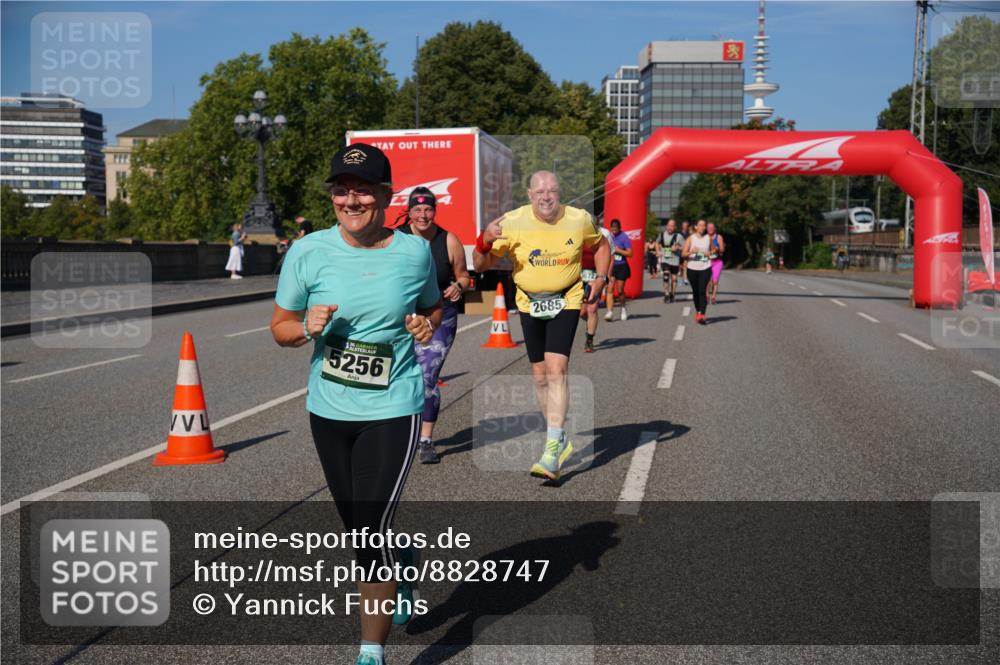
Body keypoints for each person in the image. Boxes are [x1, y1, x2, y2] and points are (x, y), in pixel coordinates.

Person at [270, 143, 442, 665]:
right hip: (329, 408)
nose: (351, 198)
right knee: (360, 530)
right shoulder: (308, 251)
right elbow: (279, 327)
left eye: (363, 189)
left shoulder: (413, 252)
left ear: (385, 196)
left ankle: (371, 651)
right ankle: (403, 564)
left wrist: (425, 324)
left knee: (369, 530)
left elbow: (432, 306)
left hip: (394, 405)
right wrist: (305, 329)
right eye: (342, 189)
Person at [473, 171, 611, 481]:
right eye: (539, 191)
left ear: (560, 193)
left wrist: (601, 278)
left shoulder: (579, 219)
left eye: (551, 191)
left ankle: (551, 448)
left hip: (567, 298)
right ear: (529, 193)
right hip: (528, 302)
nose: (546, 196)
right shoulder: (512, 221)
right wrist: (484, 243)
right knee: (538, 377)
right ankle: (558, 435)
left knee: (555, 369)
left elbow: (602, 247)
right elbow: (481, 266)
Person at [397, 186, 471, 464]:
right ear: (409, 212)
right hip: (401, 317)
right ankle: (399, 431)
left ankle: (425, 440)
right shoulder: (396, 239)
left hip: (440, 315)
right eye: (417, 210)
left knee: (427, 376)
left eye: (428, 209)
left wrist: (458, 287)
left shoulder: (448, 239)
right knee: (398, 376)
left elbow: (464, 276)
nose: (423, 215)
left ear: (434, 211)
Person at [579, 220, 614, 352]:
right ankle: (590, 324)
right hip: (580, 273)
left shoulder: (605, 234)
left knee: (592, 307)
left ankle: (589, 339)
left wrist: (606, 277)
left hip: (597, 273)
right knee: (582, 311)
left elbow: (610, 255)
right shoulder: (577, 233)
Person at [683, 219, 712, 324]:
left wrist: (709, 253)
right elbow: (683, 254)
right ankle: (698, 311)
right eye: (700, 225)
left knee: (702, 290)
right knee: (695, 292)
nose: (702, 227)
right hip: (692, 268)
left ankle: (702, 314)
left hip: (705, 267)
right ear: (695, 227)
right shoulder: (691, 238)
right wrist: (691, 251)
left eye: (704, 225)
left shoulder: (708, 238)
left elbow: (714, 251)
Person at [603, 219, 633, 321]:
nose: (614, 231)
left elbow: (630, 253)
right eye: (612, 229)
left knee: (620, 290)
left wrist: (618, 250)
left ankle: (623, 308)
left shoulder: (624, 237)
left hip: (621, 266)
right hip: (611, 266)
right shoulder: (608, 236)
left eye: (616, 229)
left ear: (619, 228)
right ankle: (610, 312)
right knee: (610, 289)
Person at [658, 218, 685, 303]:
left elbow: (684, 247)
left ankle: (672, 294)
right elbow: (657, 243)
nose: (670, 227)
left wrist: (677, 248)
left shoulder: (679, 236)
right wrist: (658, 251)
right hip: (665, 259)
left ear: (675, 227)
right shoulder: (662, 234)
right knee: (666, 275)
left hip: (675, 260)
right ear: (666, 226)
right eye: (669, 226)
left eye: (672, 226)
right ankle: (666, 294)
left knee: (674, 279)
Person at [706, 222, 726, 305]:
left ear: (714, 229)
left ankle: (713, 297)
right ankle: (707, 296)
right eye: (709, 227)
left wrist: (718, 249)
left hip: (717, 262)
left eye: (712, 227)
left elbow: (722, 250)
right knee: (707, 281)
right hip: (706, 261)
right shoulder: (704, 237)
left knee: (715, 281)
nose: (710, 229)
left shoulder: (719, 237)